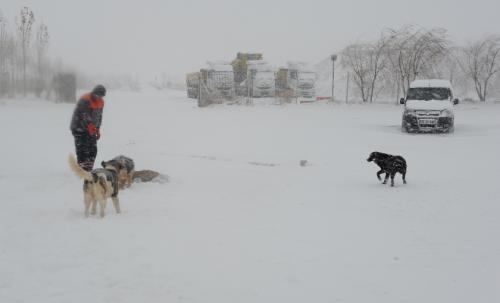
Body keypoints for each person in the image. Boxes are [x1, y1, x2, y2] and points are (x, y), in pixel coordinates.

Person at [70, 84, 106, 171]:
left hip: (91, 129)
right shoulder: (85, 99)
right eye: (97, 95)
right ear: (93, 93)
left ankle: (89, 168)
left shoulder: (101, 102)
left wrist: (97, 129)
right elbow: (84, 115)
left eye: (100, 96)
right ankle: (82, 169)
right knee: (83, 148)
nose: (98, 97)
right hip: (79, 128)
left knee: (93, 149)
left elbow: (99, 116)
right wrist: (90, 125)